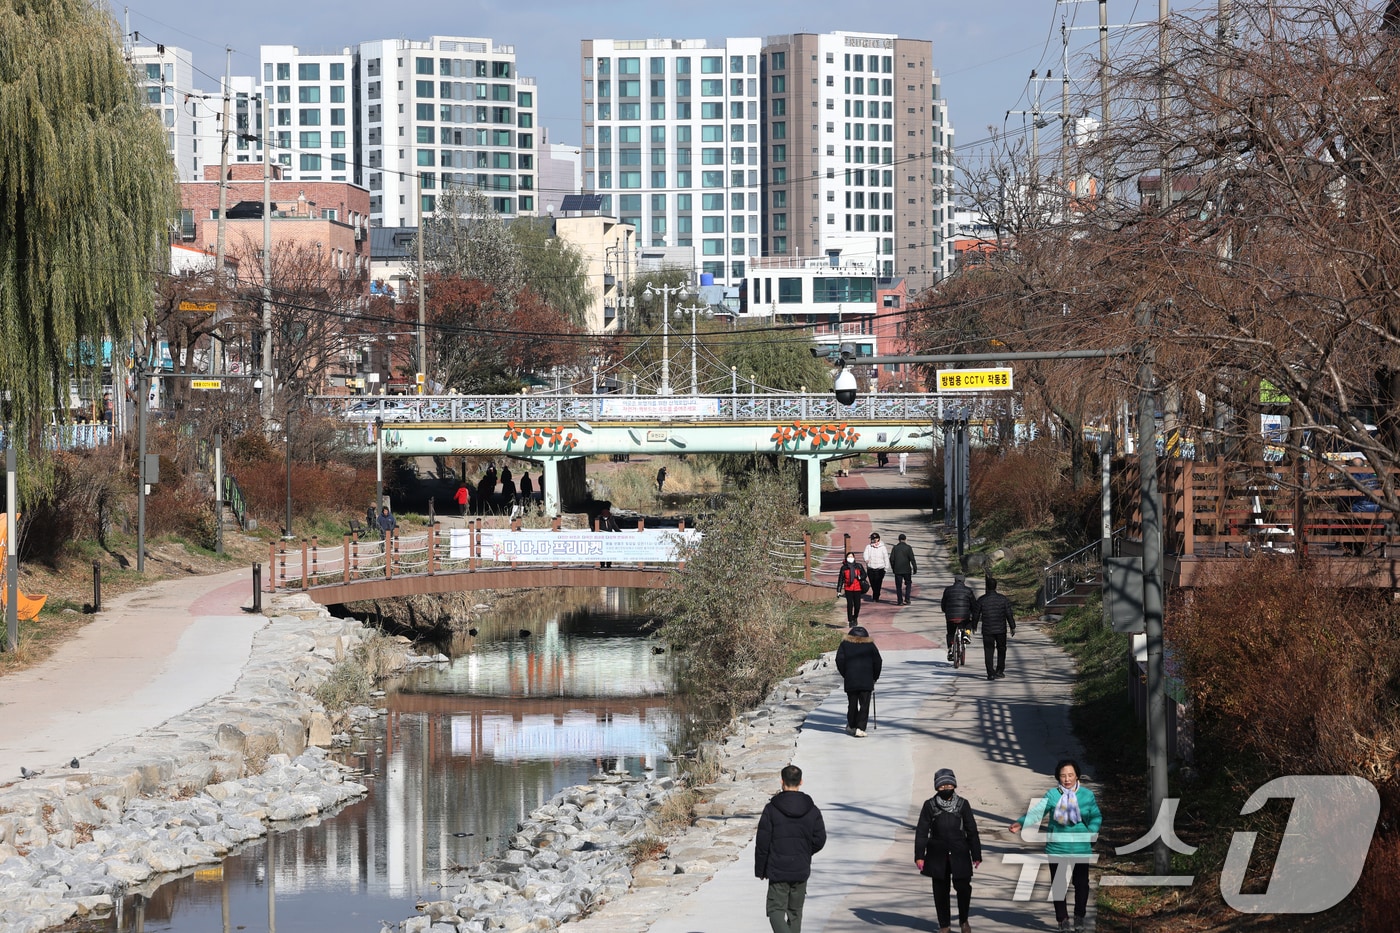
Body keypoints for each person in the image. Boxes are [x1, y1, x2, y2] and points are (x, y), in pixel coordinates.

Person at [1009, 759, 1103, 933]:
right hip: (1057, 848)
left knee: (1082, 884)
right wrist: (1021, 823)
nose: (1067, 779)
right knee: (1059, 885)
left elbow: (1096, 816)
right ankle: (1063, 921)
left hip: (1081, 848)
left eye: (1070, 775)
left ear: (1077, 776)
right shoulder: (1052, 795)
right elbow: (1037, 813)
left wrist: (1091, 830)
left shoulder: (1087, 796)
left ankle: (1079, 917)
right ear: (1058, 777)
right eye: (1063, 776)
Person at [755, 764, 826, 933]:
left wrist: (761, 869)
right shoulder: (812, 810)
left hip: (778, 868)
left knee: (775, 910)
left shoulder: (771, 809)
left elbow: (763, 842)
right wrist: (805, 851)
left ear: (782, 781)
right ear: (801, 781)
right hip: (800, 867)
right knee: (795, 912)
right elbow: (820, 839)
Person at [915, 768, 982, 933]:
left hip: (959, 852)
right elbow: (922, 832)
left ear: (954, 785)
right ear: (936, 787)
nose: (945, 788)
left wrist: (976, 854)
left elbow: (971, 830)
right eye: (942, 785)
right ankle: (944, 925)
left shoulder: (962, 804)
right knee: (940, 891)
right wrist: (919, 856)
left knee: (963, 888)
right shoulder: (929, 805)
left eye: (948, 784)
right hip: (937, 855)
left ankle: (964, 920)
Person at [835, 625, 882, 737]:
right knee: (864, 705)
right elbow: (878, 662)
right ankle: (860, 728)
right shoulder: (870, 645)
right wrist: (875, 677)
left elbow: (839, 660)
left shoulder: (845, 644)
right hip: (867, 680)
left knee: (852, 704)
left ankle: (852, 726)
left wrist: (845, 674)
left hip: (851, 679)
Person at [975, 577, 1015, 681]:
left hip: (987, 629)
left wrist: (973, 625)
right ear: (995, 586)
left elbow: (976, 614)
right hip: (1001, 629)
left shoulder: (982, 599)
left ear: (987, 587)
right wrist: (1012, 626)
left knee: (988, 650)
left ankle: (990, 673)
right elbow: (1009, 613)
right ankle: (1000, 670)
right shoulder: (1003, 599)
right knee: (1001, 649)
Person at [940, 573, 977, 662]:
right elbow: (974, 604)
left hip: (950, 616)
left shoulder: (948, 590)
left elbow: (943, 604)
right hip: (964, 616)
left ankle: (950, 649)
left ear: (955, 580)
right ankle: (967, 634)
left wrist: (946, 611)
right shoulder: (968, 591)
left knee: (950, 632)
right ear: (964, 581)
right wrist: (973, 612)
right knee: (969, 622)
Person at [836, 552, 868, 626]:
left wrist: (860, 577)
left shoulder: (858, 566)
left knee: (857, 605)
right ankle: (850, 620)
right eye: (849, 557)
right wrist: (838, 590)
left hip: (857, 588)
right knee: (850, 604)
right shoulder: (844, 568)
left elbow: (864, 574)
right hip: (848, 588)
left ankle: (855, 617)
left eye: (851, 556)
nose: (850, 558)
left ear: (854, 558)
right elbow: (840, 579)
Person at [890, 533, 918, 605]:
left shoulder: (895, 548)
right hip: (907, 570)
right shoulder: (908, 547)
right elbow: (912, 559)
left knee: (898, 586)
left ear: (899, 540)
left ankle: (900, 601)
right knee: (908, 584)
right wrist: (915, 568)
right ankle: (907, 598)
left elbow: (891, 559)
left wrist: (893, 567)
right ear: (905, 539)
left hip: (898, 570)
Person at [863, 532, 891, 601]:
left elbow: (886, 558)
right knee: (872, 583)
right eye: (872, 539)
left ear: (878, 539)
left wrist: (886, 568)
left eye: (874, 539)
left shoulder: (882, 547)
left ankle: (876, 596)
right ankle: (875, 593)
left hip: (880, 569)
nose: (873, 540)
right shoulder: (868, 547)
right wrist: (866, 559)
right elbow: (865, 554)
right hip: (871, 568)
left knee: (878, 583)